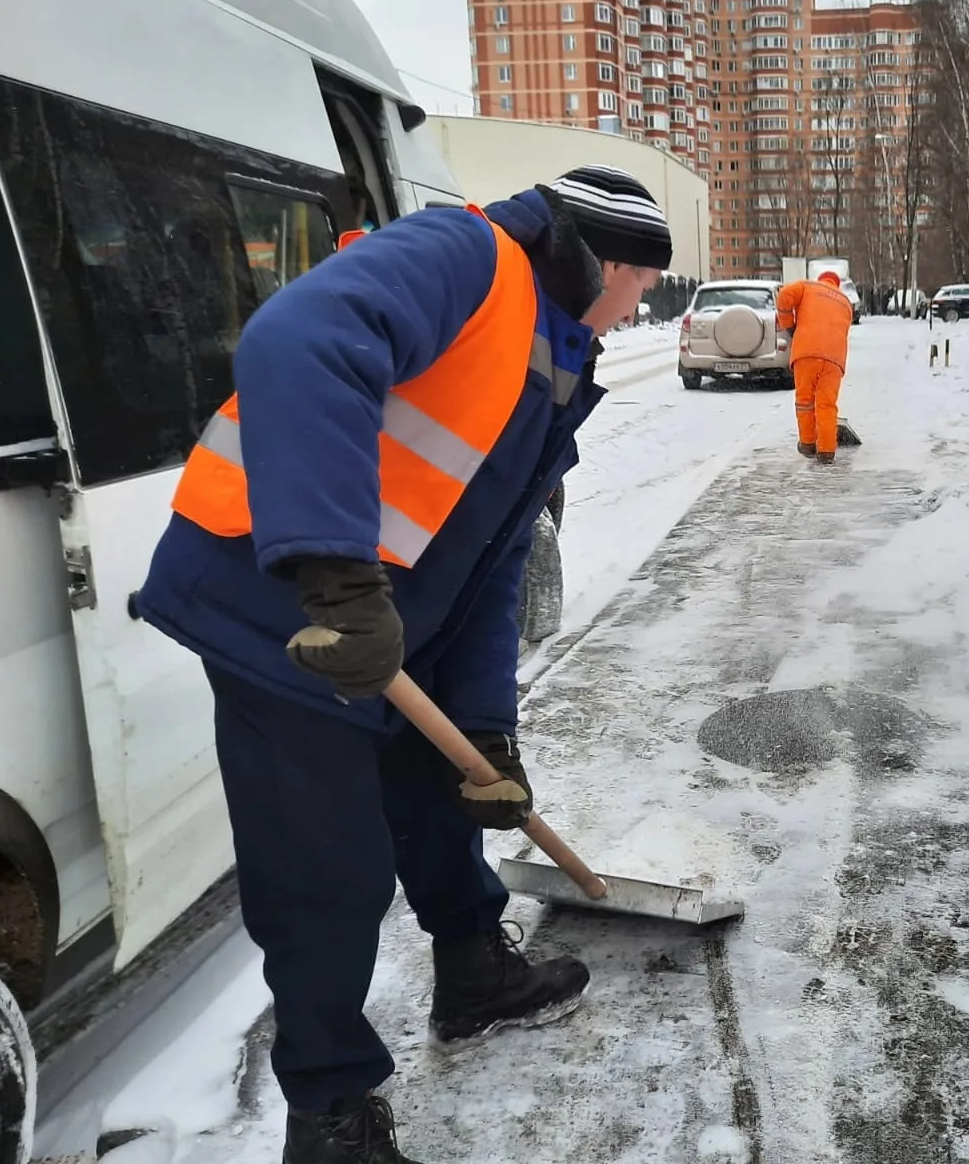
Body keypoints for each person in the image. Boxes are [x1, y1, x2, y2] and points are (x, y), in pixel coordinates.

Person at [136, 165, 671, 1163]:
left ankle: (472, 970)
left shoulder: (559, 356)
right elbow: (294, 341)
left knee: (441, 790)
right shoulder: (465, 256)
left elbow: (489, 562)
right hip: (281, 608)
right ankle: (330, 1114)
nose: (640, 308)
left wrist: (484, 730)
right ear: (603, 259)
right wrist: (337, 575)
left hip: (386, 628)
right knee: (327, 867)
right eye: (641, 284)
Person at [776, 269, 853, 463]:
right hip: (834, 358)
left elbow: (784, 295)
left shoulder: (807, 286)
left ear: (822, 280)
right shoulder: (845, 302)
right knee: (826, 403)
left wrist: (789, 324)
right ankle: (827, 451)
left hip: (807, 352)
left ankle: (808, 443)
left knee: (805, 400)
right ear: (837, 284)